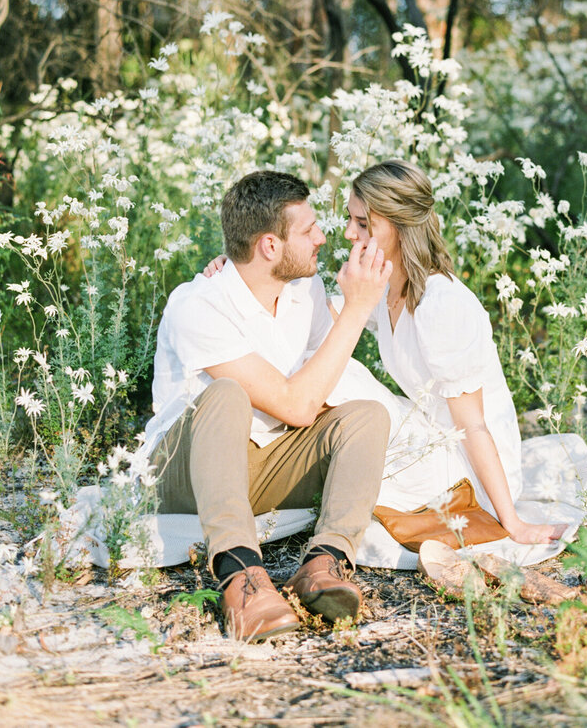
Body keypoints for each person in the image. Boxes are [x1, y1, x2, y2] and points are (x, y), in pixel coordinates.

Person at [206, 160, 568, 556]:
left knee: (345, 377)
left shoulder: (441, 305)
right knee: (326, 364)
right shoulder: (390, 284)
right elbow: (320, 322)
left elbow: (475, 426)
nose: (348, 233)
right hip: (428, 435)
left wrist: (512, 522)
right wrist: (242, 270)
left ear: (397, 227)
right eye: (350, 219)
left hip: (468, 465)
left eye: (363, 224)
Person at [143, 170, 393, 643]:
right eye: (308, 230)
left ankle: (323, 565)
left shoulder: (305, 291)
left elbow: (324, 382)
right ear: (270, 246)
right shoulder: (197, 304)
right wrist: (357, 309)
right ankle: (242, 578)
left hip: (260, 465)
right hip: (183, 470)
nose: (323, 237)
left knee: (366, 415)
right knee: (226, 394)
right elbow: (300, 405)